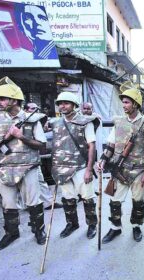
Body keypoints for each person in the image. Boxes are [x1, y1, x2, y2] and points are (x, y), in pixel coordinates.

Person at [0, 77, 47, 251]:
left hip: (28, 168)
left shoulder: (32, 119)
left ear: (14, 100)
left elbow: (41, 145)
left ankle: (38, 230)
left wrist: (21, 136)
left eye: (2, 99)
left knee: (33, 202)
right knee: (8, 204)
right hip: (4, 169)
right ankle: (12, 233)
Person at [97, 87, 144, 244]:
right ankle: (115, 227)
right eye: (123, 102)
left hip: (138, 170)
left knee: (138, 201)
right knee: (114, 201)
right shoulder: (118, 122)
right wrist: (103, 160)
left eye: (126, 102)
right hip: (119, 170)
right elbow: (111, 144)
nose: (123, 105)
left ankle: (136, 226)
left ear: (135, 104)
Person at [46, 92, 99, 240]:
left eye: (66, 103)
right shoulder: (55, 123)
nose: (62, 106)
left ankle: (92, 224)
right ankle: (72, 224)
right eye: (60, 103)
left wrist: (89, 169)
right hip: (61, 167)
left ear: (74, 105)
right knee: (68, 199)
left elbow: (91, 146)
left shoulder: (85, 121)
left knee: (88, 198)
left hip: (80, 167)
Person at [24, 102, 62, 210]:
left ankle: (49, 202)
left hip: (34, 157)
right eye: (32, 109)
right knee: (25, 184)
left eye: (37, 108)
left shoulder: (37, 121)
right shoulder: (21, 123)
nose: (35, 111)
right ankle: (29, 204)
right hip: (21, 159)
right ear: (26, 110)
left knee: (40, 180)